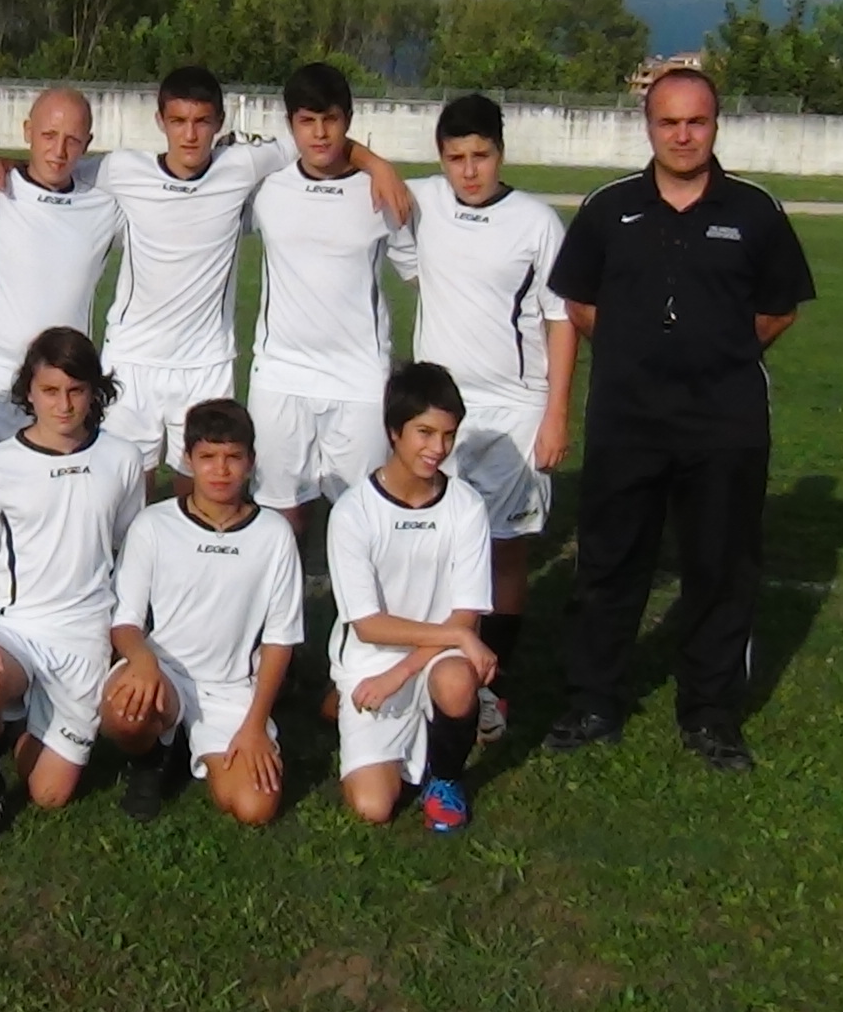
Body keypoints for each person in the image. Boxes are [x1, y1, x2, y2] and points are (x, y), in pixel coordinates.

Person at [543, 69, 816, 772]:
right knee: (609, 562)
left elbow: (778, 308)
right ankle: (594, 701)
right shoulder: (611, 209)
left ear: (716, 125)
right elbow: (579, 302)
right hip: (627, 418)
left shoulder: (755, 211)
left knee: (721, 569)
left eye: (696, 121)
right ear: (649, 126)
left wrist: (715, 356)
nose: (683, 135)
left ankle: (710, 713)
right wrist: (641, 353)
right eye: (670, 122)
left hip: (724, 423)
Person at [0, 66, 408, 490]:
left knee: (200, 495)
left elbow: (314, 141)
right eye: (178, 121)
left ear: (220, 124)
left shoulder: (242, 165)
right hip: (132, 361)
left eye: (202, 122)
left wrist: (375, 162)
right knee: (124, 489)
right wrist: (2, 161)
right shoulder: (123, 170)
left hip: (207, 365)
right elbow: (53, 168)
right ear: (160, 121)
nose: (189, 134)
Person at [399, 94, 577, 744]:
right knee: (434, 546)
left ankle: (492, 686)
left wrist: (555, 414)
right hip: (438, 412)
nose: (469, 171)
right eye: (456, 158)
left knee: (505, 552)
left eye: (481, 156)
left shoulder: (536, 222)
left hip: (514, 410)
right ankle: (430, 673)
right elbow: (365, 174)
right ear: (440, 159)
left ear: (501, 152)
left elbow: (561, 320)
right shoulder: (423, 203)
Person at [0, 327, 143, 842]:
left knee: (49, 795)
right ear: (28, 391)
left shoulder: (122, 459)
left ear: (94, 392)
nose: (64, 404)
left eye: (76, 390)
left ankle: (25, 727)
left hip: (84, 637)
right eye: (50, 391)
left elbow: (133, 552)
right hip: (14, 629)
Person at [101, 399, 304, 826]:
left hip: (232, 689)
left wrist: (255, 725)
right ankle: (151, 760)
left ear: (251, 462)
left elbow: (280, 639)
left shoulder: (273, 534)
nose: (220, 470)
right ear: (188, 460)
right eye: (208, 457)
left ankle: (190, 746)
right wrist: (142, 662)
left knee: (254, 809)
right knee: (125, 711)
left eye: (233, 458)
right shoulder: (153, 525)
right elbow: (126, 622)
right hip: (165, 673)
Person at [245, 62, 414, 534]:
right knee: (278, 514)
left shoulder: (381, 192)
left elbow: (418, 274)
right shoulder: (265, 188)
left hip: (358, 379)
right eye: (306, 121)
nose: (319, 133)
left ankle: (355, 610)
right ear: (290, 124)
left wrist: (377, 166)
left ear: (349, 119)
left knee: (360, 517)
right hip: (281, 376)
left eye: (331, 119)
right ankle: (282, 608)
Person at [328, 362, 496, 833]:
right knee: (373, 807)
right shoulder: (353, 513)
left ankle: (445, 778)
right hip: (372, 663)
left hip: (439, 659)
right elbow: (369, 625)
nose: (437, 448)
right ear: (393, 431)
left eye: (447, 434)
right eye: (424, 432)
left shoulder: (466, 507)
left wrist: (408, 668)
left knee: (458, 682)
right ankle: (352, 702)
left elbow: (466, 610)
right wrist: (460, 639)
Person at [0, 87, 122, 448]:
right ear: (27, 131)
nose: (59, 150)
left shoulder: (104, 209)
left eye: (72, 139)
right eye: (48, 135)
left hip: (67, 387)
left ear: (88, 143)